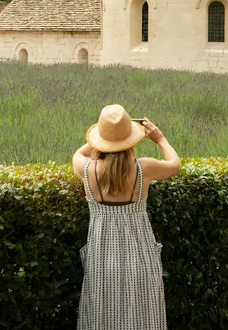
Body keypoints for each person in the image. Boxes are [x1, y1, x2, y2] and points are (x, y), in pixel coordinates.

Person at [72, 105, 181, 330]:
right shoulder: (144, 168)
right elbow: (175, 165)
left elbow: (78, 154)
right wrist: (160, 139)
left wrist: (103, 136)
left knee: (103, 318)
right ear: (131, 141)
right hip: (140, 257)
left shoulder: (87, 169)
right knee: (143, 316)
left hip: (101, 260)